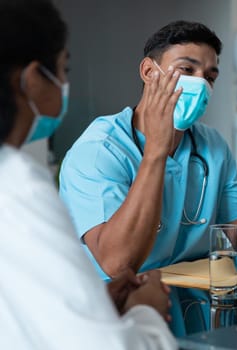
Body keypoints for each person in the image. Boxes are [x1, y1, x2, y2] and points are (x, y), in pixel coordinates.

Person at [58, 20, 237, 335]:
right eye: (187, 70)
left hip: (195, 308)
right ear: (149, 72)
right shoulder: (99, 150)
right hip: (121, 318)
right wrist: (157, 151)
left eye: (209, 77)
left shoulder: (210, 145)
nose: (200, 84)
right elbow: (116, 263)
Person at [0, 0, 178, 348]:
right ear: (33, 79)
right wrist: (148, 314)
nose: (65, 83)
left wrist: (95, 303)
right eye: (64, 69)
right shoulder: (20, 186)